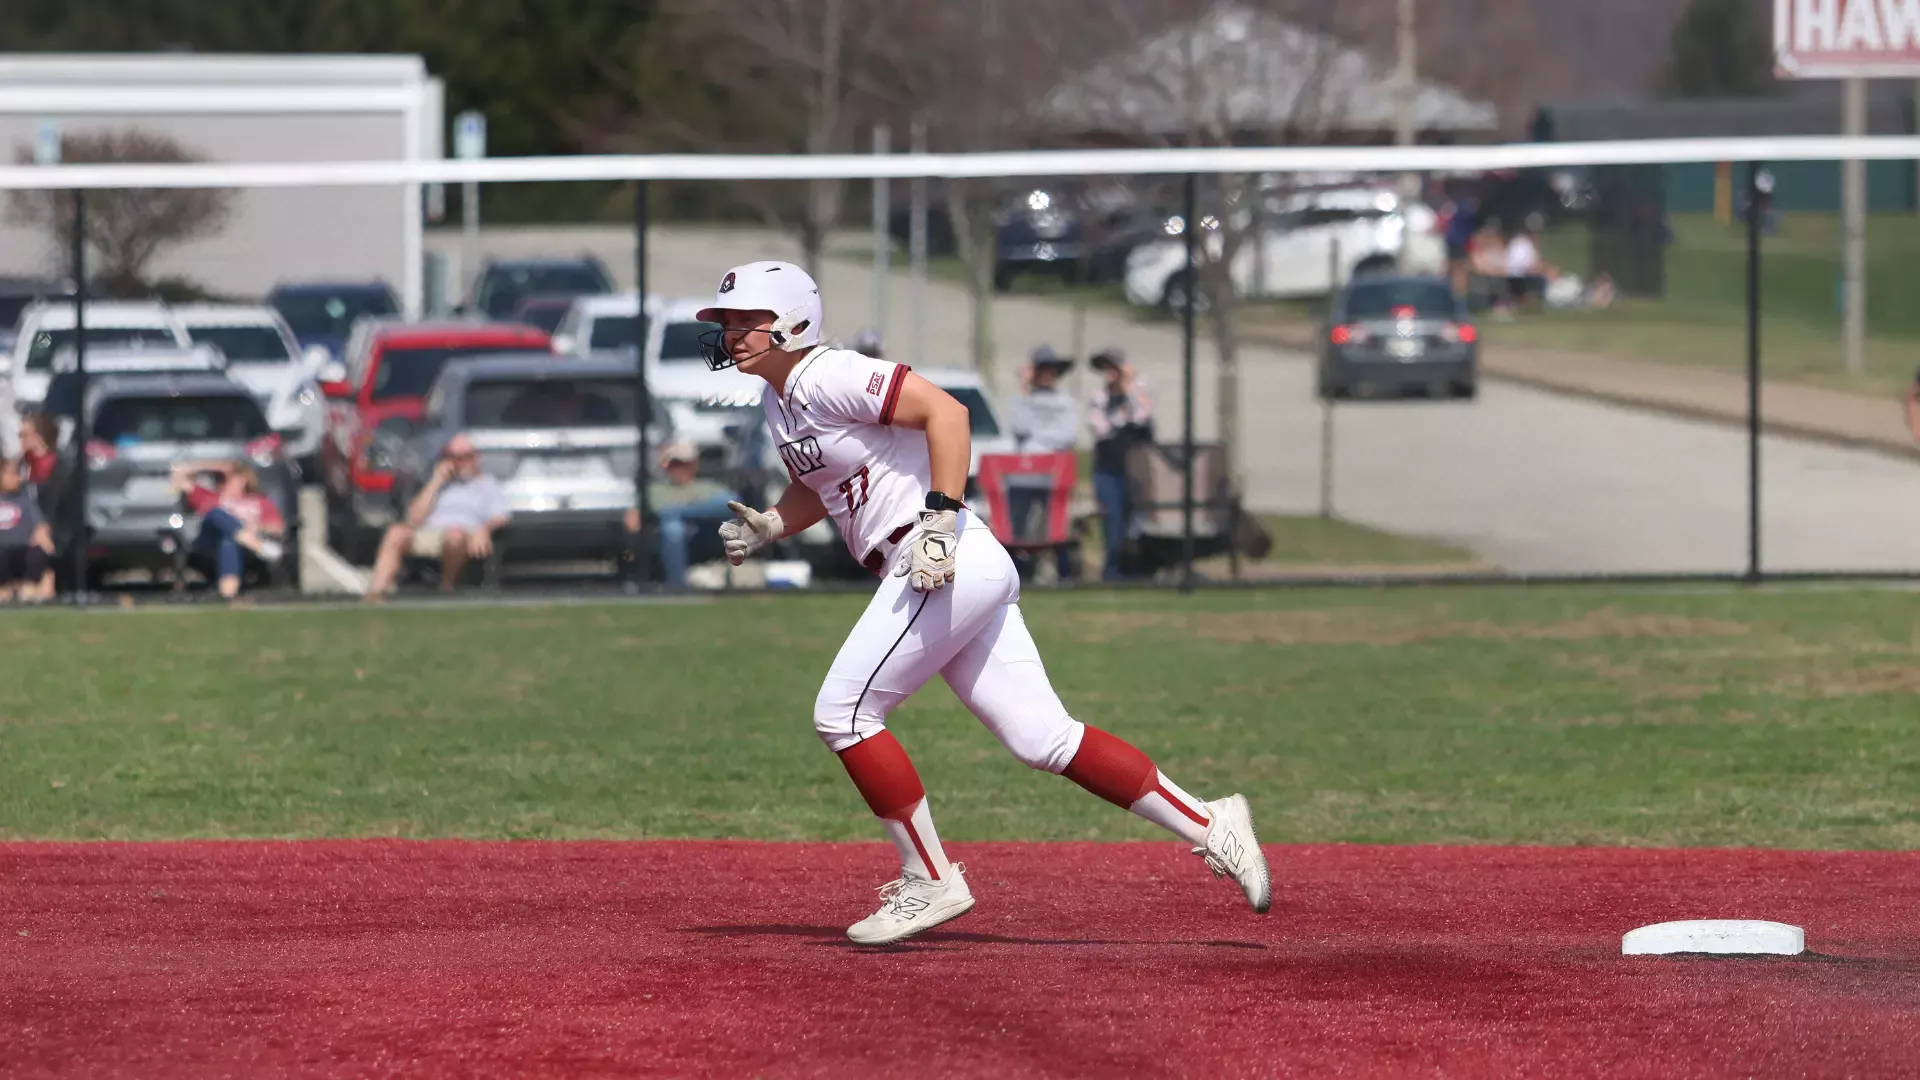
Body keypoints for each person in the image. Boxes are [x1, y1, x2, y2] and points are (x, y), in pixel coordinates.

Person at [700, 260, 1269, 946]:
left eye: (745, 320)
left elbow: (947, 412)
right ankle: (1211, 822)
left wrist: (938, 522)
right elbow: (825, 487)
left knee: (844, 712)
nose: (731, 334)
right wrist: (772, 523)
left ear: (792, 321)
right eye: (726, 323)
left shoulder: (828, 372)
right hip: (950, 560)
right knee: (1045, 737)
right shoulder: (780, 397)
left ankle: (931, 877)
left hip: (940, 554)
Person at [365, 432, 511, 598]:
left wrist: (484, 529)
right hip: (430, 532)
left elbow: (501, 516)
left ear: (475, 458)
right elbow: (412, 519)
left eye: (465, 457)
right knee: (395, 533)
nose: (459, 463)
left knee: (454, 535)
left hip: (465, 534)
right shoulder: (437, 484)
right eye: (453, 457)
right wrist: (436, 481)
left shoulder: (487, 484)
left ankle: (446, 589)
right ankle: (375, 592)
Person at [1004, 345, 1081, 581]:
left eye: (1052, 370)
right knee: (1015, 525)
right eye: (1043, 369)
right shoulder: (1022, 399)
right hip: (1024, 473)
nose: (1048, 374)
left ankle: (1063, 574)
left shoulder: (1066, 402)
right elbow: (1018, 427)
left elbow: (1067, 435)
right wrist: (1024, 389)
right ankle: (1015, 573)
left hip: (1055, 472)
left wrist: (1037, 439)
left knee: (1057, 524)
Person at [621, 438, 740, 587]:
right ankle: (677, 587)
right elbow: (632, 521)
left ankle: (678, 513)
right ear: (666, 465)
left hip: (705, 536)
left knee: (727, 501)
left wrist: (680, 512)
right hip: (666, 540)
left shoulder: (709, 487)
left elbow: (734, 507)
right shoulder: (655, 490)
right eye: (674, 464)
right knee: (673, 527)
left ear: (694, 465)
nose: (679, 468)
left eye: (684, 464)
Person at [169, 460, 286, 599]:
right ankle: (256, 544)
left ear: (243, 479)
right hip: (209, 542)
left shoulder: (259, 501)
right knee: (215, 513)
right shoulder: (208, 496)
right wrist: (207, 467)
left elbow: (277, 528)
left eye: (226, 478)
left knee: (229, 540)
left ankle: (228, 594)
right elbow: (177, 477)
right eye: (219, 478)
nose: (221, 482)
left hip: (240, 547)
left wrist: (255, 527)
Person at [1086, 348, 1154, 582]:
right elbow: (1101, 429)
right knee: (1113, 520)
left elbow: (1141, 418)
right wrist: (1123, 422)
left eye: (1115, 368)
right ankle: (1112, 571)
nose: (1111, 374)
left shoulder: (1140, 390)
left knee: (1138, 521)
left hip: (1138, 470)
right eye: (1107, 369)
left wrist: (1128, 391)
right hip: (1108, 469)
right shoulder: (1100, 397)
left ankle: (1137, 568)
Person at [0, 457, 55, 603]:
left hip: (22, 548)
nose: (16, 478)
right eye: (10, 474)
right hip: (2, 550)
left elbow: (40, 524)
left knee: (38, 552)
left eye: (18, 474)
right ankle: (5, 589)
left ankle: (28, 587)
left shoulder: (25, 501)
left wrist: (42, 534)